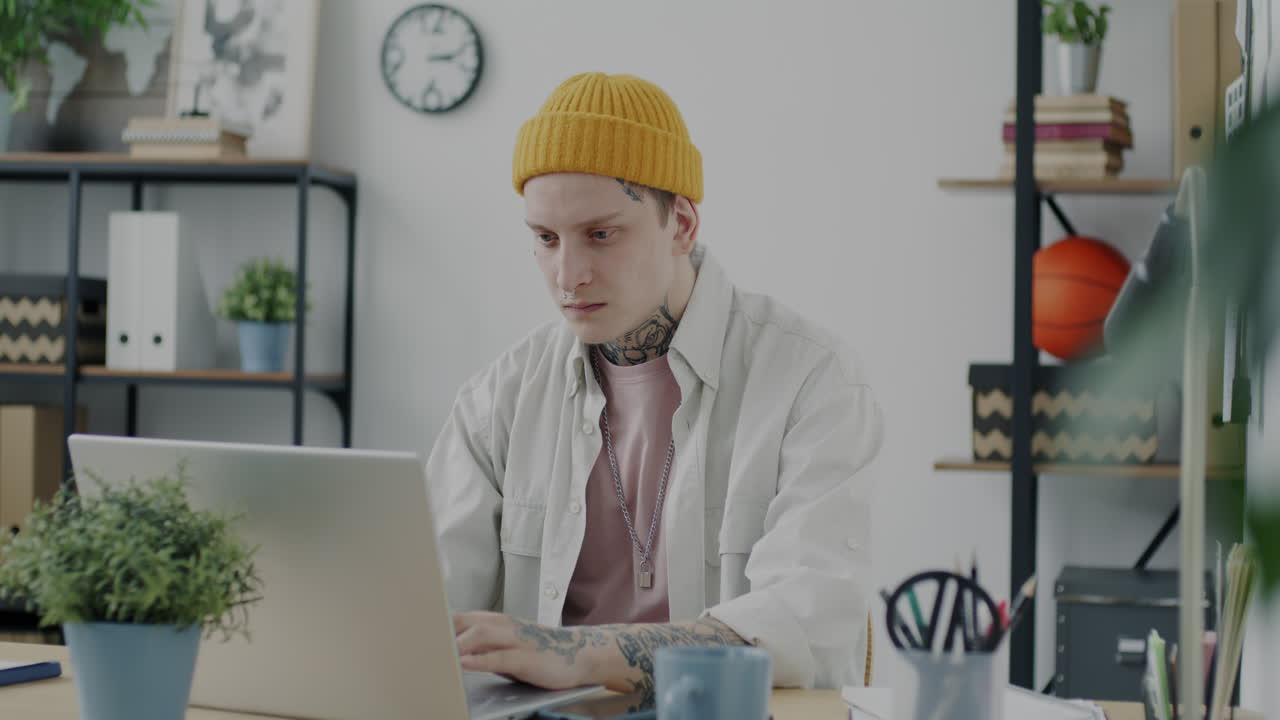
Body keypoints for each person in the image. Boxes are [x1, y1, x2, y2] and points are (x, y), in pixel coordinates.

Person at [427, 71, 882, 704]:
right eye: (546, 239)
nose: (569, 275)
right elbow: (420, 614)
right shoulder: (497, 398)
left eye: (601, 234)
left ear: (682, 225)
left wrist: (577, 656)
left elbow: (803, 627)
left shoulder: (810, 378)